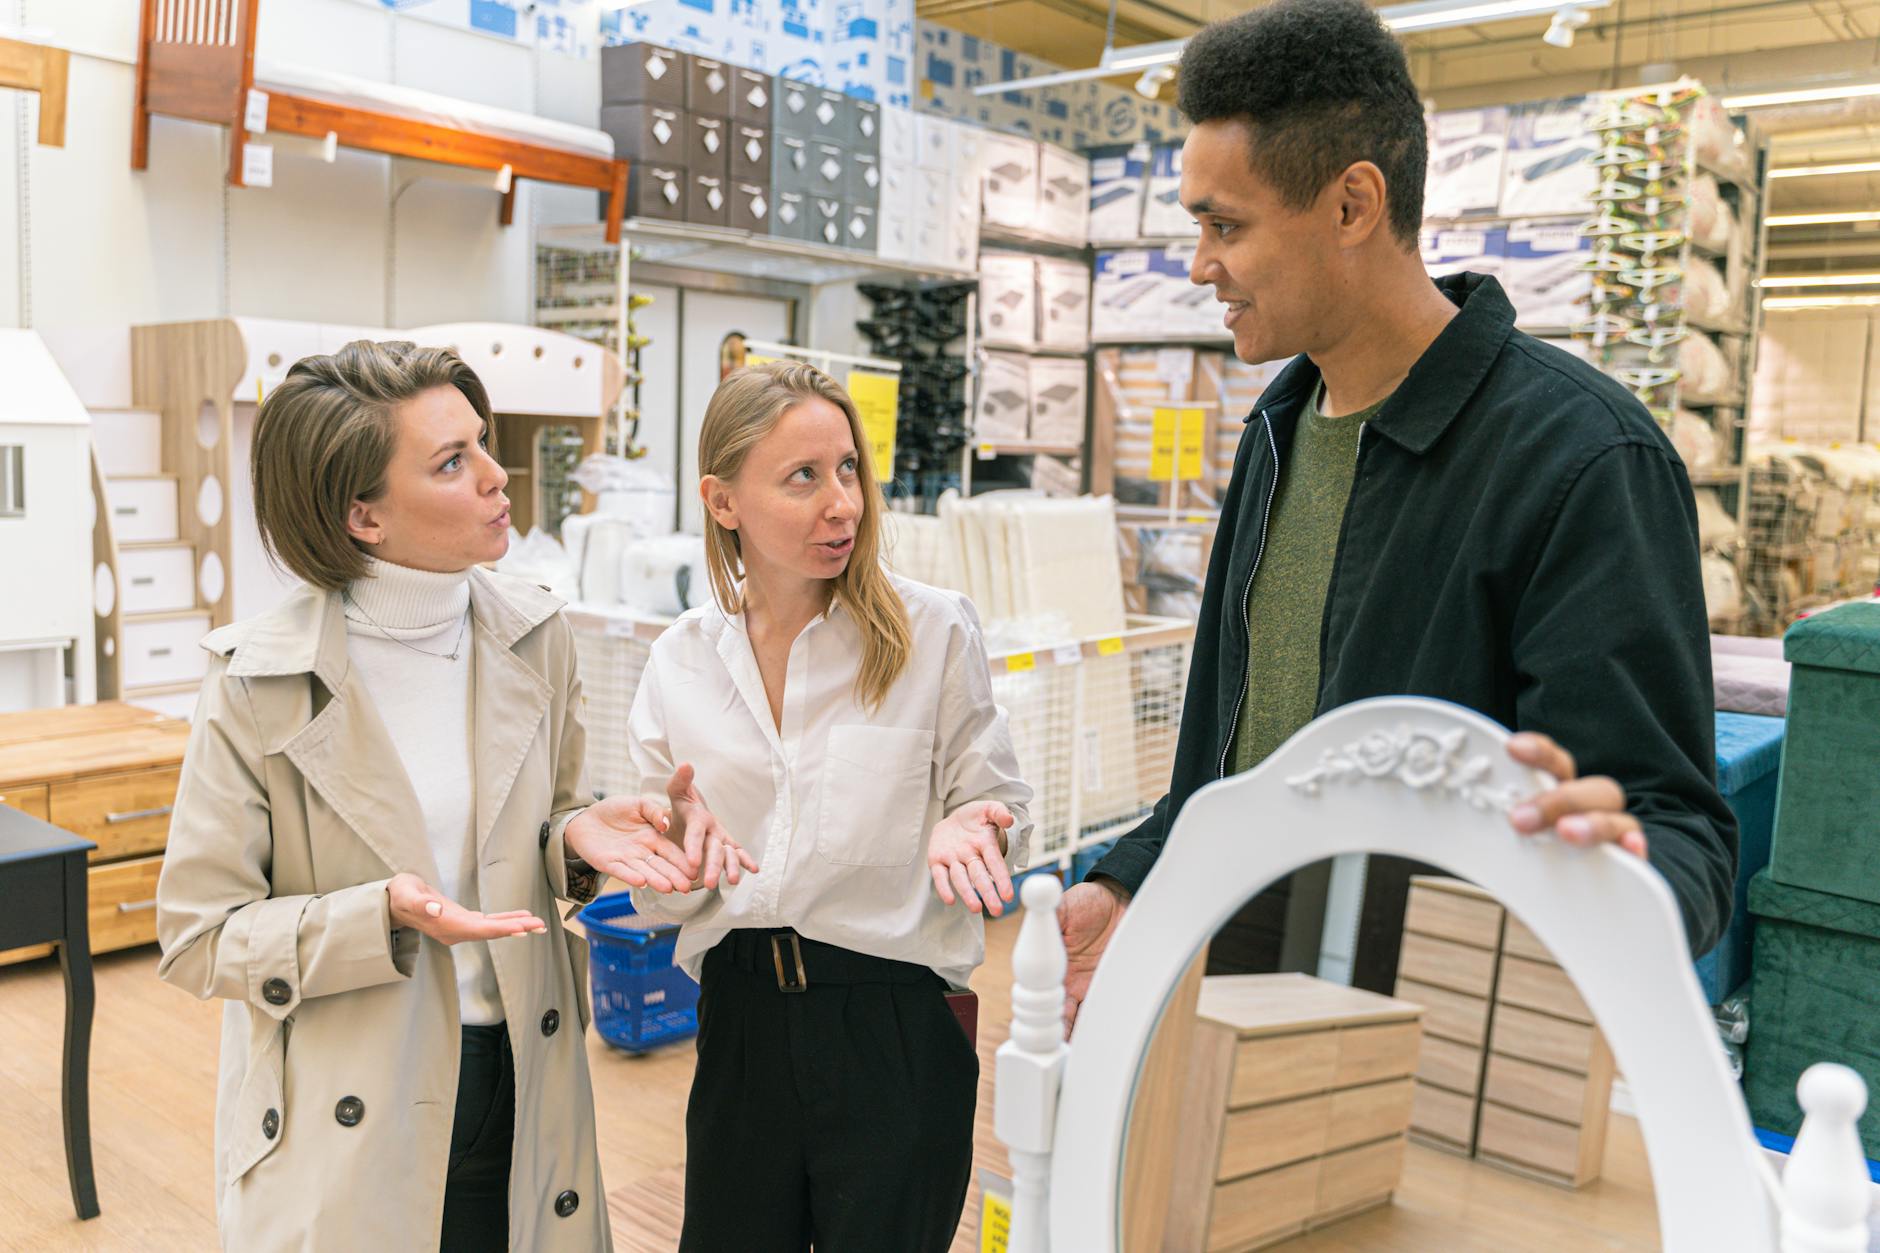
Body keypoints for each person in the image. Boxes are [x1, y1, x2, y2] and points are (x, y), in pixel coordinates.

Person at [1059, 0, 1737, 1029]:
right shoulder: (1276, 431)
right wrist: (1130, 874)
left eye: (1223, 225)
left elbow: (1671, 828)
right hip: (1228, 1007)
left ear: (1350, 205)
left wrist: (1621, 884)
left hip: (1437, 1047)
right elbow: (1236, 764)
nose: (1198, 266)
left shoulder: (1580, 457)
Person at [155, 340, 701, 1251]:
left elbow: (532, 831)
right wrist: (384, 917)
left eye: (483, 444)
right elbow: (198, 933)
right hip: (351, 1105)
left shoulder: (535, 636)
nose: (498, 476)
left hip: (525, 1074)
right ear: (362, 514)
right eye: (454, 461)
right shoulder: (260, 681)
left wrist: (575, 838)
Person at [621, 360, 1032, 1253]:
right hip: (739, 1023)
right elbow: (658, 893)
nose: (841, 501)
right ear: (723, 501)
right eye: (802, 477)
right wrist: (677, 861)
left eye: (847, 468)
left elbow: (998, 800)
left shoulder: (931, 631)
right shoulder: (681, 663)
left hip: (893, 1022)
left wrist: (980, 820)